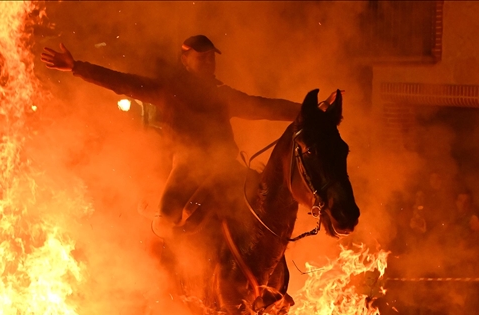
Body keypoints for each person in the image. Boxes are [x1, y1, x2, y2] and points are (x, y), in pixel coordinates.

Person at [40, 35, 302, 238]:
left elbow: (263, 107)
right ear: (185, 61)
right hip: (186, 168)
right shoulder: (168, 90)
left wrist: (307, 111)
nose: (209, 63)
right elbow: (122, 82)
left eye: (211, 58)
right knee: (166, 219)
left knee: (269, 206)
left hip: (225, 167)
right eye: (202, 58)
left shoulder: (222, 94)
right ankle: (171, 278)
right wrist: (77, 67)